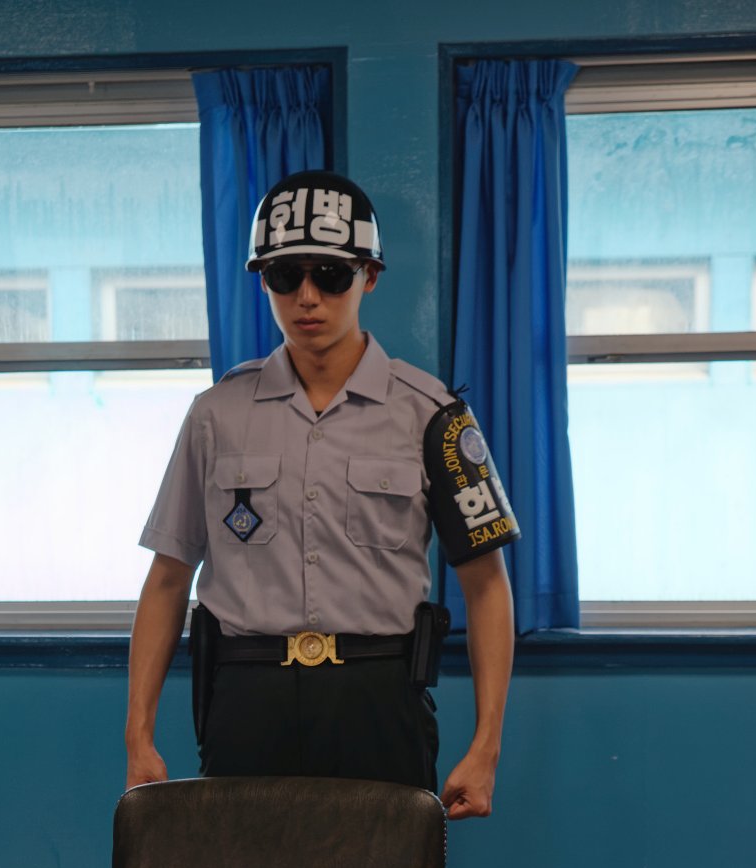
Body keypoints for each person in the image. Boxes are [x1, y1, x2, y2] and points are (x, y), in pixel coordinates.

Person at [125, 170, 516, 819]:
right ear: (263, 280)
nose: (307, 297)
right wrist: (138, 738)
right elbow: (168, 579)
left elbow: (487, 584)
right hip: (247, 703)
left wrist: (486, 748)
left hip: (377, 703)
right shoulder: (215, 416)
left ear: (369, 276)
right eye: (285, 275)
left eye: (331, 275)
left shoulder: (435, 417)